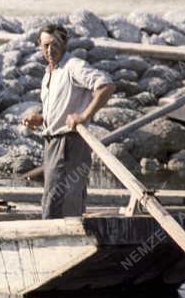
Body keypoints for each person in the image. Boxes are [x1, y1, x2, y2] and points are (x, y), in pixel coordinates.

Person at [22, 23, 115, 219]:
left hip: (69, 143)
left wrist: (84, 116)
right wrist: (40, 119)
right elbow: (61, 107)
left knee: (59, 200)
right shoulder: (50, 73)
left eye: (54, 44)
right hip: (53, 143)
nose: (50, 50)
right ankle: (58, 240)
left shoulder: (73, 66)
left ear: (64, 44)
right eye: (45, 45)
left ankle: (58, 242)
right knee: (56, 198)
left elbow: (105, 85)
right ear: (39, 45)